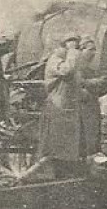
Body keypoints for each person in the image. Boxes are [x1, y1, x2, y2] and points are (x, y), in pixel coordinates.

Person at [37, 35, 102, 178]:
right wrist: (72, 51)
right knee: (57, 149)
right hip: (57, 110)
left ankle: (70, 174)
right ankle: (51, 175)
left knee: (71, 148)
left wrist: (86, 94)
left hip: (69, 111)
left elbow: (75, 85)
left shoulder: (69, 61)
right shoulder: (55, 60)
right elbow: (67, 71)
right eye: (73, 45)